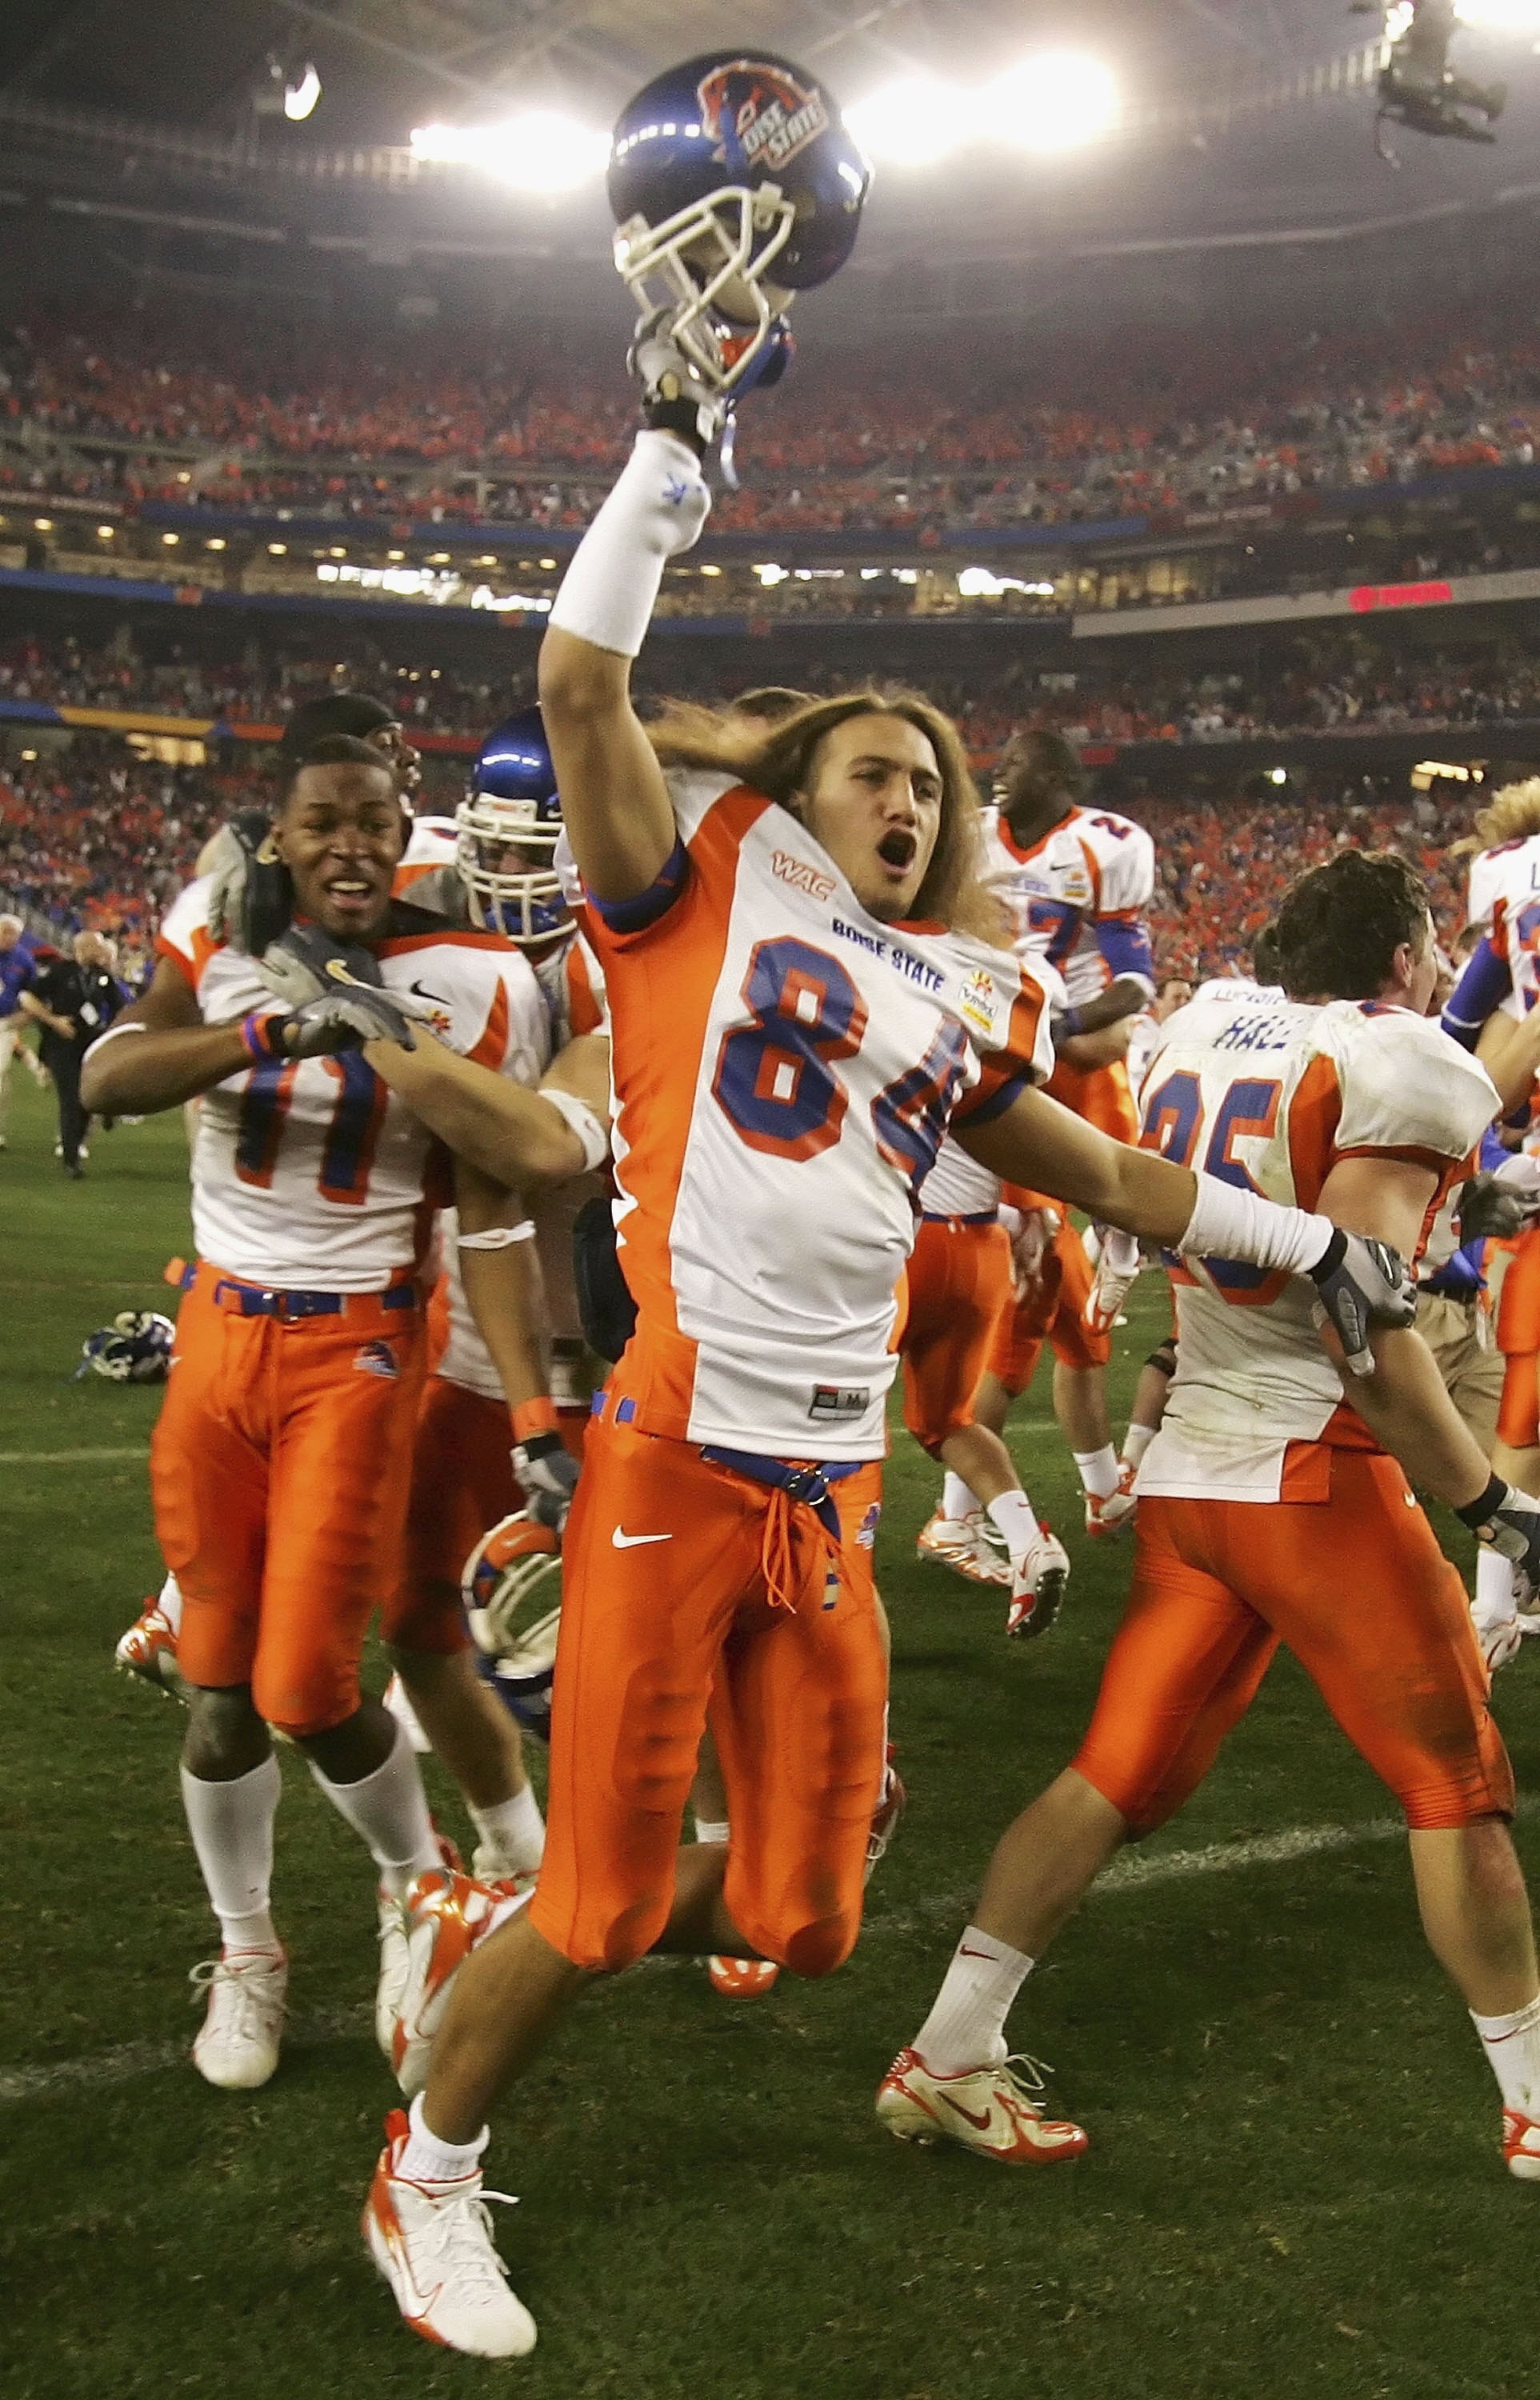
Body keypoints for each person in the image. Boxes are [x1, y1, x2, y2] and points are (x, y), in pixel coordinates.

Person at [353, 350, 1423, 2358]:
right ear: (792, 789)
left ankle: (472, 1908)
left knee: (803, 1916)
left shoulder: (941, 999)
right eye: (877, 768)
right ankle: (423, 2173)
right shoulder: (687, 895)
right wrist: (670, 462)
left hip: (833, 1482)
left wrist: (1321, 1254)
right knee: (598, 1905)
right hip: (681, 1450)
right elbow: (584, 685)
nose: (911, 799)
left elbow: (1105, 1161)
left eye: (932, 783)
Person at [879, 849, 1540, 2182]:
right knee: (1454, 1785)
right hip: (1312, 1472)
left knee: (1114, 1776)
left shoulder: (1197, 1025)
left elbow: (1252, 1217)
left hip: (1193, 1473)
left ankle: (947, 2054)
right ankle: (1535, 2104)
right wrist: (1493, 1507)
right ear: (1406, 964)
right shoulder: (1407, 1060)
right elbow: (1364, 1321)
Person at [78, 735, 561, 2095]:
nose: (347, 844)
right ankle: (248, 1949)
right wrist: (270, 1023)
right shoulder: (221, 931)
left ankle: (424, 1890)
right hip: (218, 1341)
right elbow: (110, 1079)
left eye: (370, 820)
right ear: (277, 833)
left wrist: (534, 1401)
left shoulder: (470, 977)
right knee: (218, 1697)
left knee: (307, 1684)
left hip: (358, 1349)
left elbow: (492, 1210)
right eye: (317, 821)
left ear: (407, 830)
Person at [19, 930, 128, 1176]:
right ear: (83, 948)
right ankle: (71, 1160)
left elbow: (120, 1007)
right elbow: (27, 997)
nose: (101, 952)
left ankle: (77, 1144)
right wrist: (54, 1021)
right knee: (71, 1099)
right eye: (97, 947)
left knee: (88, 1099)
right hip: (62, 1044)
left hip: (92, 1043)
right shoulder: (60, 972)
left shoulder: (102, 976)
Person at [0, 910, 40, 1147]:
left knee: (0, 1074)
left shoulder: (24, 959)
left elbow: (33, 993)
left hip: (5, 1024)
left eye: (14, 934)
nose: (10, 937)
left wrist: (27, 1014)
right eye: (5, 932)